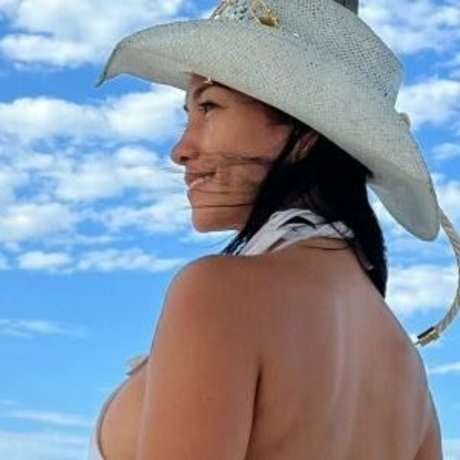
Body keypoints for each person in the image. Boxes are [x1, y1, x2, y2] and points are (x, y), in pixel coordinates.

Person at [89, 0, 460, 458]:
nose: (180, 149)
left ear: (304, 134)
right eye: (188, 114)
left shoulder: (221, 293)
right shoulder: (408, 372)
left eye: (209, 106)